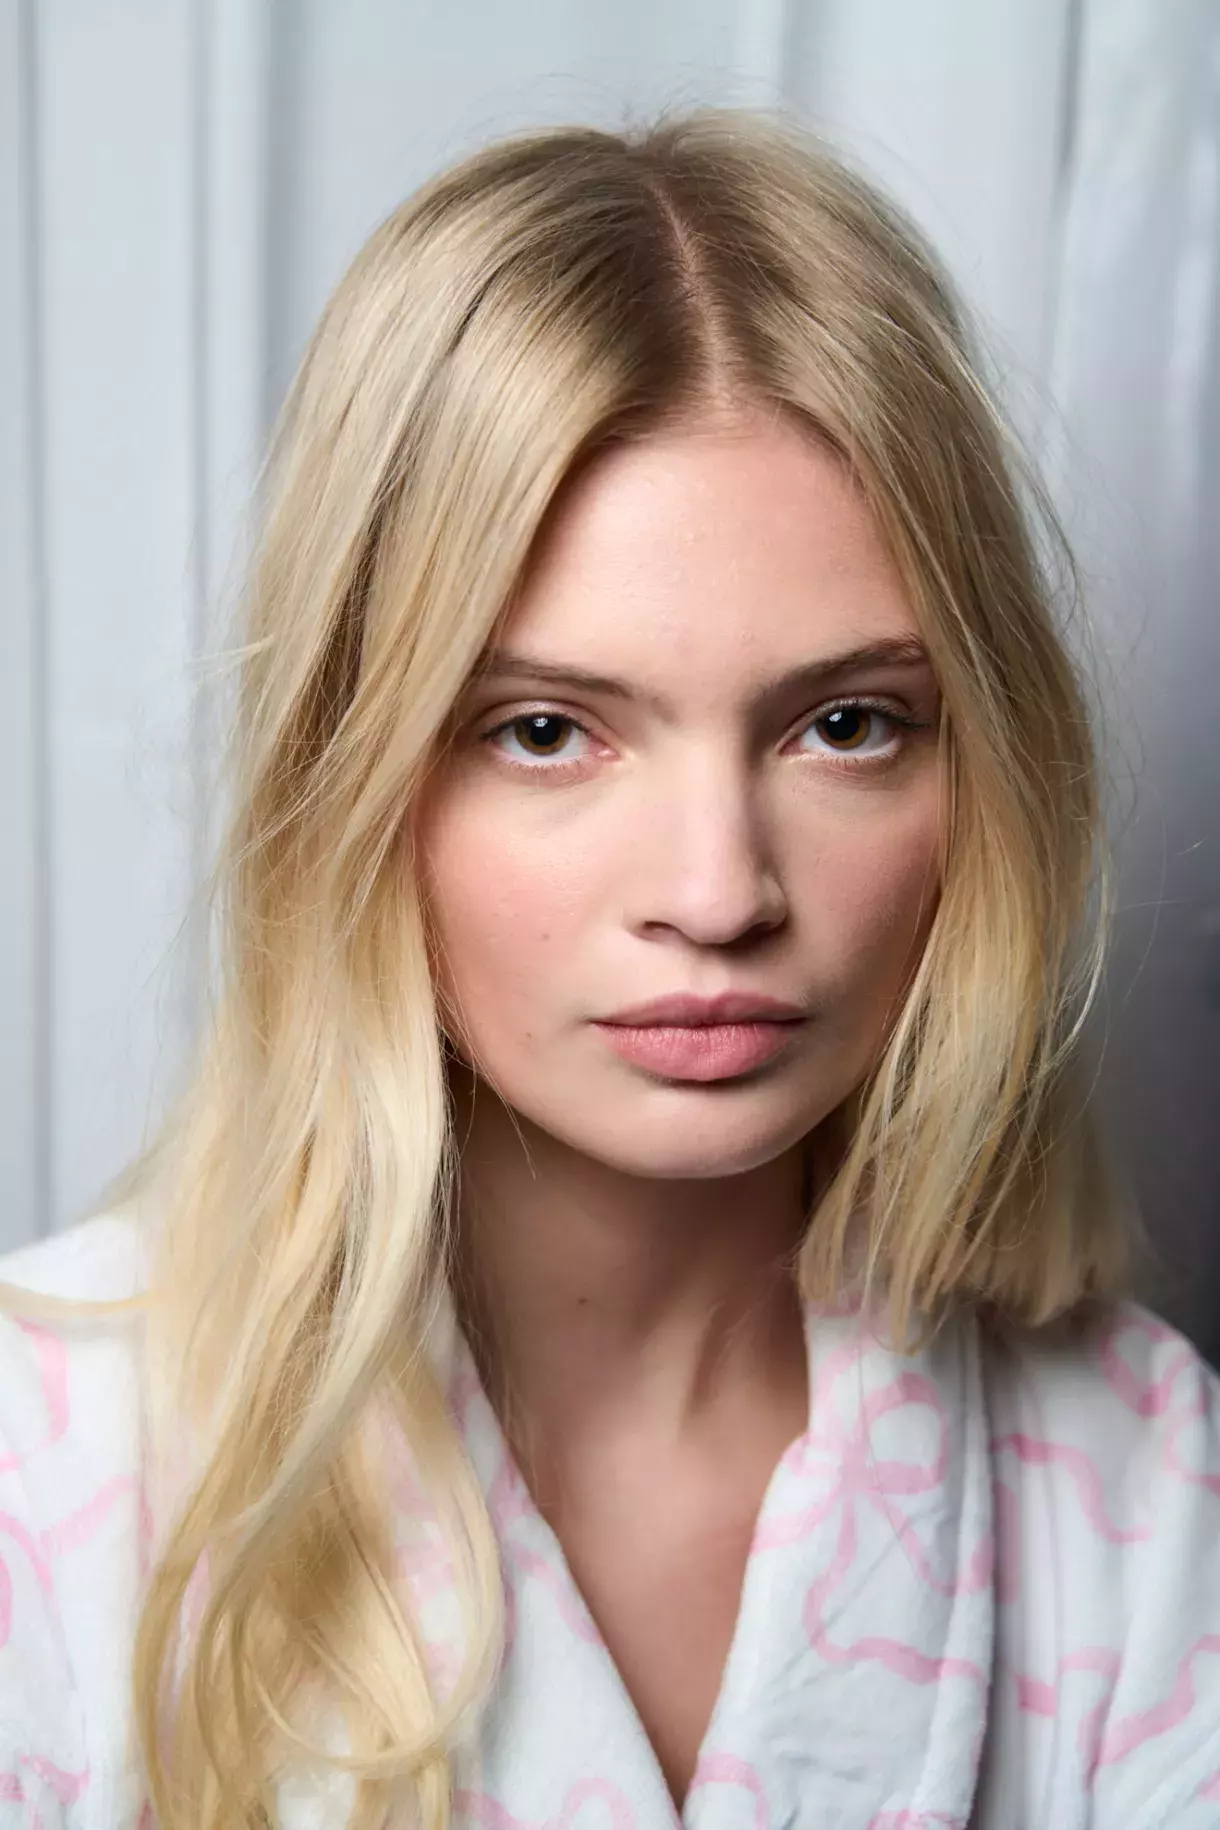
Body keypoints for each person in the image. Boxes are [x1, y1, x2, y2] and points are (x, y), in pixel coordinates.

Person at [1, 106, 1218, 1830]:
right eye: (548, 730)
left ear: (983, 775)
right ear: (356, 775)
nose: (717, 892)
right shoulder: (40, 1458)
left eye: (846, 724)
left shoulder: (1144, 1483)